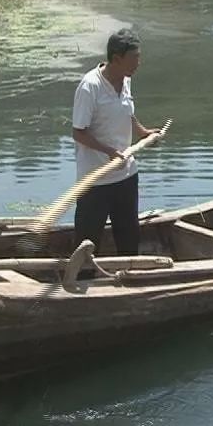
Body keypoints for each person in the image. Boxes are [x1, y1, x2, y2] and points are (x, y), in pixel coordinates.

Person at [72, 28, 161, 256]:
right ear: (116, 59)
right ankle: (82, 283)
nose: (138, 63)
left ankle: (129, 279)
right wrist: (109, 151)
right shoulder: (90, 87)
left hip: (126, 175)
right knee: (87, 243)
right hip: (95, 181)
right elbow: (78, 132)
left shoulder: (125, 79)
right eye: (134, 58)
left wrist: (143, 133)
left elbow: (125, 113)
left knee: (129, 238)